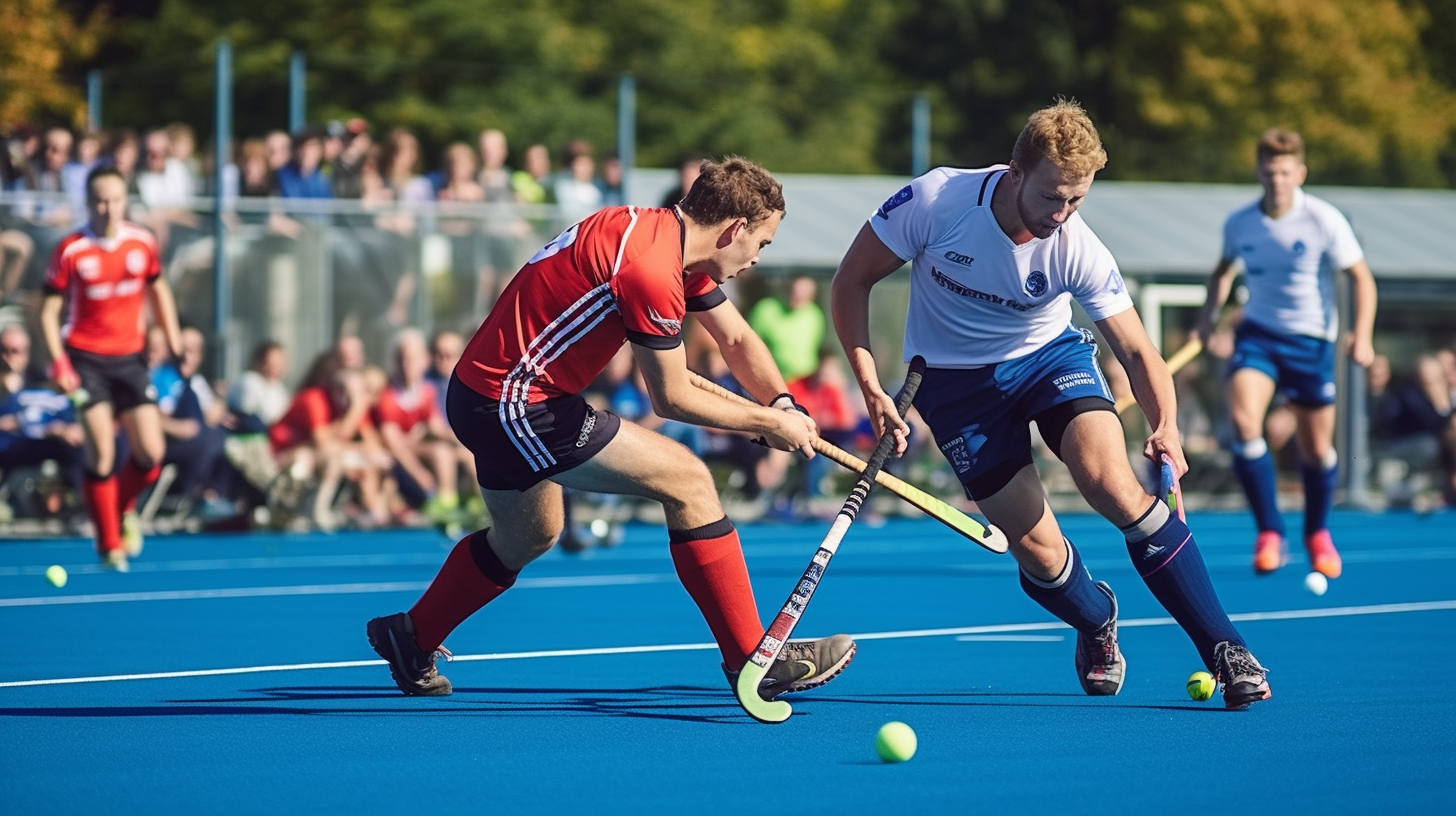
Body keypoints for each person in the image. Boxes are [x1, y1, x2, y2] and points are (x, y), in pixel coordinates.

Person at [831, 100, 1271, 709]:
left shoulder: (1077, 249)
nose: (1062, 214)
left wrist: (1167, 425)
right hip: (956, 388)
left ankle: (1226, 648)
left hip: (1049, 361)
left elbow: (1141, 353)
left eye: (1077, 200)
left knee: (1110, 483)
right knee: (1037, 551)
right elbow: (850, 281)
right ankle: (1096, 618)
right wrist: (871, 387)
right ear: (1014, 170)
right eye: (1052, 197)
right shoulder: (937, 201)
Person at [366, 155, 854, 702]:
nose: (757, 260)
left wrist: (782, 403)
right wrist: (766, 423)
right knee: (688, 481)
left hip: (492, 394)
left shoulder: (657, 236)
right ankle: (752, 658)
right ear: (734, 230)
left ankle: (411, 637)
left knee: (530, 536)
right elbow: (671, 397)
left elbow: (736, 340)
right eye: (761, 245)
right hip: (516, 404)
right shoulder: (650, 268)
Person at [1194, 128, 1377, 580]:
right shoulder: (1240, 223)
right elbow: (1222, 272)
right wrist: (1208, 317)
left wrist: (1362, 333)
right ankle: (1270, 531)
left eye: (1284, 172)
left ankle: (1317, 533)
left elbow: (1361, 278)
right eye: (1269, 171)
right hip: (1258, 335)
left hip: (1311, 342)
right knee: (1243, 423)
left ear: (1300, 173)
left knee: (1316, 450)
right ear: (1259, 171)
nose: (1276, 180)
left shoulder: (1324, 219)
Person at [40, 165, 183, 571]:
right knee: (102, 452)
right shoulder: (71, 249)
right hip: (86, 360)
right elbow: (49, 312)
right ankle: (108, 545)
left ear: (125, 202)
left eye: (115, 199)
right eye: (100, 200)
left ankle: (120, 508)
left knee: (152, 453)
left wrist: (172, 338)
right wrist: (60, 361)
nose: (108, 208)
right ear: (88, 203)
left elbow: (159, 289)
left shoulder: (142, 243)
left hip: (131, 358)